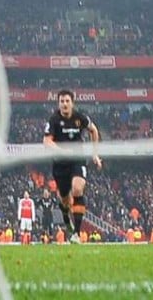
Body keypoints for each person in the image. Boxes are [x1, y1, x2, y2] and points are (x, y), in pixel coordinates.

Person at [43, 89, 102, 244]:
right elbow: (47, 141)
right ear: (58, 104)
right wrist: (62, 151)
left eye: (67, 101)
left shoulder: (80, 117)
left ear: (72, 103)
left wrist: (95, 153)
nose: (64, 104)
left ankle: (76, 233)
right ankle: (64, 215)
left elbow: (93, 130)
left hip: (78, 158)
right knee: (65, 200)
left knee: (77, 189)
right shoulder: (54, 120)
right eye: (62, 101)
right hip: (60, 163)